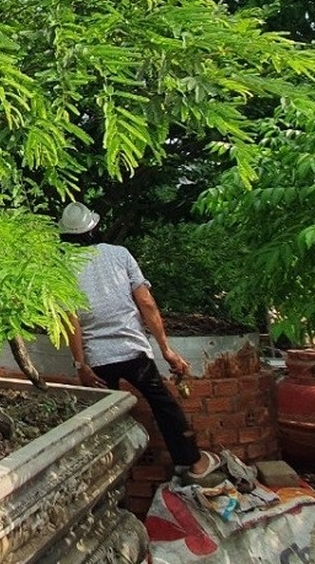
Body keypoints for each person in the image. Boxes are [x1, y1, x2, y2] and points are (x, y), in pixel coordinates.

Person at [60, 201, 223, 485]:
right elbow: (146, 302)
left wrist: (81, 365)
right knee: (164, 406)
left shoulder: (63, 268)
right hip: (133, 351)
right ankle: (192, 462)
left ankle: (107, 483)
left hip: (97, 359)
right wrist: (166, 350)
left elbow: (70, 320)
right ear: (93, 228)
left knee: (102, 421)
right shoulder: (119, 254)